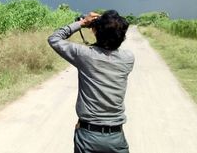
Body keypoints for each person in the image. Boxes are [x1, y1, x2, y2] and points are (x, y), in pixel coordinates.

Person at [48, 10, 134, 153]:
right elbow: (111, 46)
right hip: (116, 137)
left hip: (88, 136)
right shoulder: (128, 58)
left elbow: (54, 39)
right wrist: (103, 27)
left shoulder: (84, 55)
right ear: (122, 36)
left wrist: (82, 23)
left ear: (95, 31)